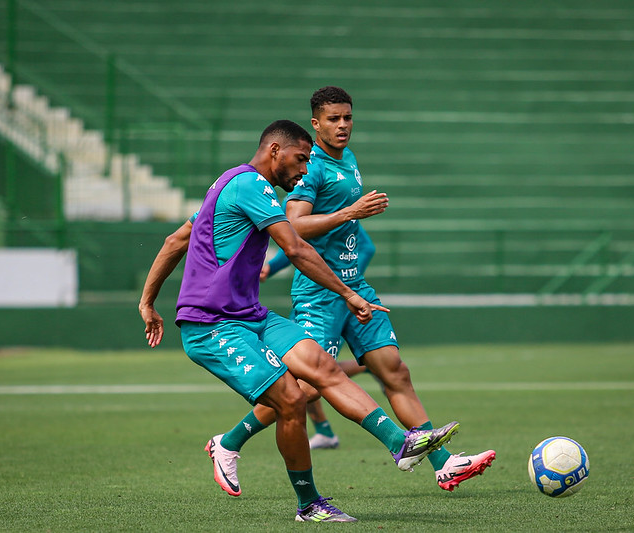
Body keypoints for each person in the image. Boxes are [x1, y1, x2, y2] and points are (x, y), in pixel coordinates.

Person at [138, 119, 459, 523]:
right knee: (290, 398)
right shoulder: (252, 185)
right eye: (301, 158)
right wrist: (347, 293)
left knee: (321, 369)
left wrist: (147, 302)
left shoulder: (227, 182)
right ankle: (309, 506)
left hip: (249, 315)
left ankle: (402, 444)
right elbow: (294, 248)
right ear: (275, 150)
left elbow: (176, 240)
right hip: (211, 325)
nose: (305, 169)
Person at [211, 88, 496, 497]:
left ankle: (443, 463)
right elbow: (294, 226)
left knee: (394, 370)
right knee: (306, 387)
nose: (342, 125)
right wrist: (351, 212)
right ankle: (229, 442)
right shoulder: (310, 168)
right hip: (320, 292)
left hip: (354, 286)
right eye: (333, 119)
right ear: (316, 123)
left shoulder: (350, 160)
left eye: (347, 118)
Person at [260, 225, 377, 449]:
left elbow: (366, 248)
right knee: (302, 368)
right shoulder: (297, 204)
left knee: (309, 373)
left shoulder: (331, 204)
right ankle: (324, 430)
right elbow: (294, 247)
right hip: (308, 301)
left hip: (327, 303)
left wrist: (344, 287)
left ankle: (231, 441)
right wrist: (271, 268)